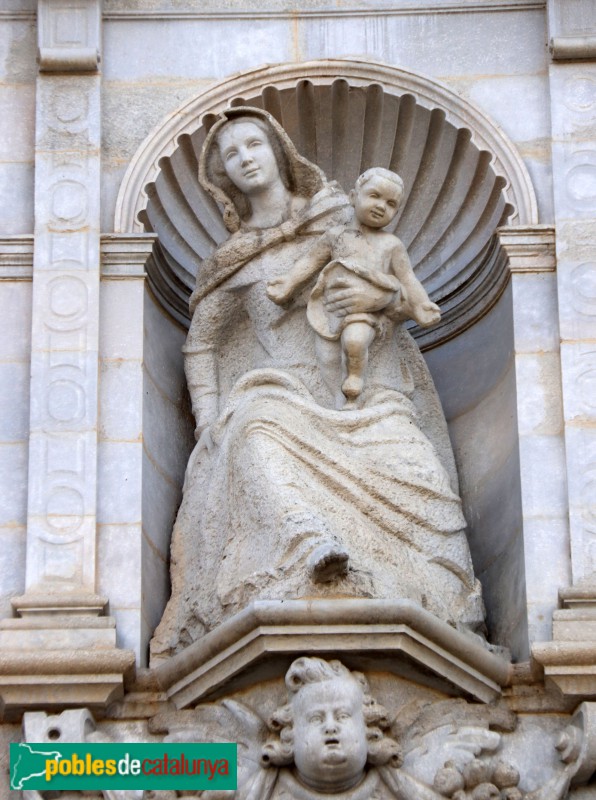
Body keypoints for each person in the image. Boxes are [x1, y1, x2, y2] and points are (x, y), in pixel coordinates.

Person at [150, 107, 485, 664]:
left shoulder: (342, 219)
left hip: (365, 392)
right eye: (231, 154)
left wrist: (383, 299)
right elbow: (201, 343)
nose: (245, 159)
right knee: (254, 432)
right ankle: (307, 547)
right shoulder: (231, 260)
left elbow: (406, 298)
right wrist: (208, 420)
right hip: (278, 391)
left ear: (279, 150)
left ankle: (438, 601)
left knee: (416, 464)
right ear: (222, 176)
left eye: (254, 144)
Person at [267, 167, 440, 406]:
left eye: (391, 204)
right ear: (352, 197)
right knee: (327, 359)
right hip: (329, 311)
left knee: (355, 342)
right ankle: (335, 402)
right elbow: (310, 262)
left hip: (363, 313)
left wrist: (422, 304)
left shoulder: (391, 245)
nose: (381, 206)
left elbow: (408, 279)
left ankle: (354, 388)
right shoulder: (335, 236)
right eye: (374, 196)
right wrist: (288, 283)